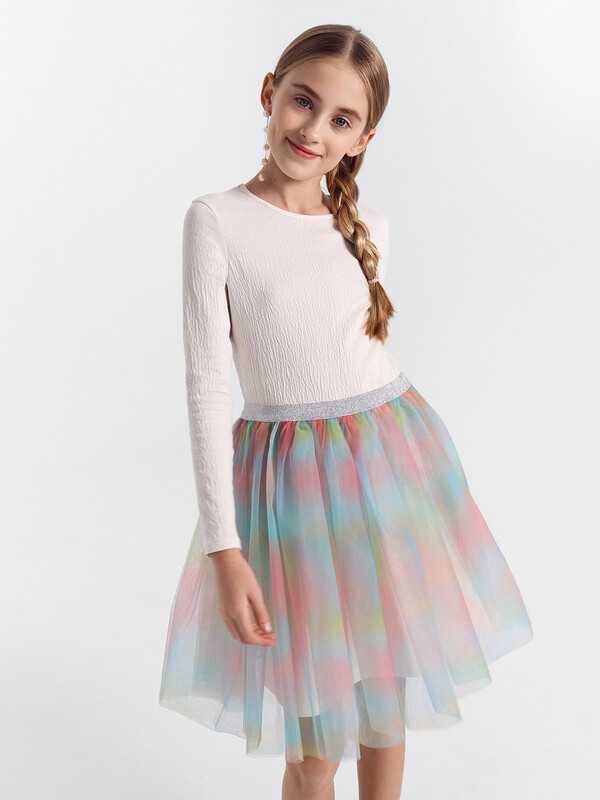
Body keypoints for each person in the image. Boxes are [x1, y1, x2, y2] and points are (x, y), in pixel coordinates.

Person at [158, 23, 534, 799]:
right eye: (302, 101)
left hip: (388, 467)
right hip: (290, 496)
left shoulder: (369, 229)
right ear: (269, 93)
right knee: (313, 744)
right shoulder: (216, 220)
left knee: (383, 709)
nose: (314, 129)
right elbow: (206, 385)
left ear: (363, 140)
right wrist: (225, 550)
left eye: (341, 119)